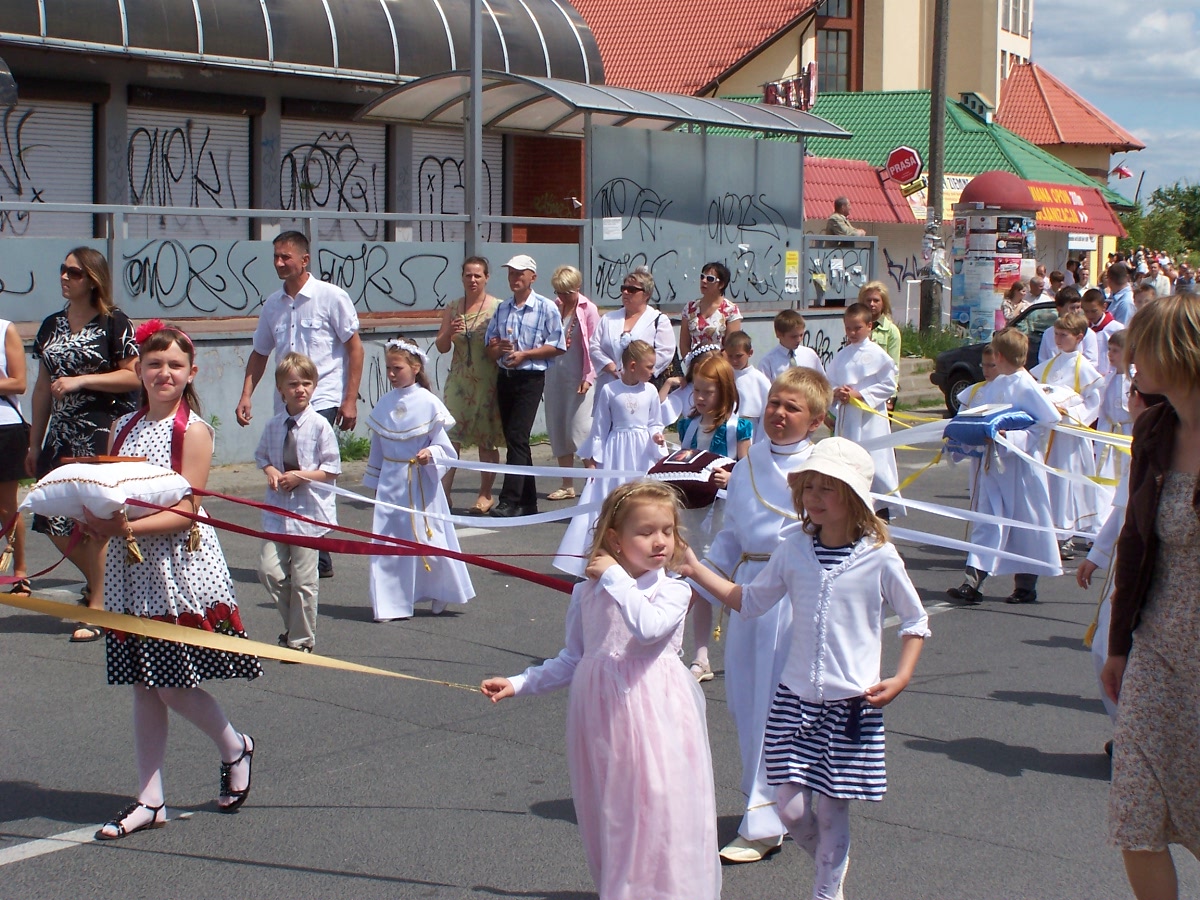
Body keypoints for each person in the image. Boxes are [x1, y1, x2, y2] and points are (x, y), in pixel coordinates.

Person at [683, 438, 929, 900]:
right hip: (794, 701)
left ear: (852, 496)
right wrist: (696, 569)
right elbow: (749, 601)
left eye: (826, 488)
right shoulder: (793, 547)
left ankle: (827, 890)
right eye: (808, 487)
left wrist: (900, 677)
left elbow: (915, 621)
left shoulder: (878, 555)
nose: (814, 497)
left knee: (833, 812)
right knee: (791, 809)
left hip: (850, 704)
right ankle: (831, 862)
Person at [482, 481, 722, 900]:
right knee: (615, 814)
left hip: (658, 715)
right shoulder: (587, 592)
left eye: (667, 531)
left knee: (661, 810)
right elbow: (574, 658)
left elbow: (647, 629)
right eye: (645, 532)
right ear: (614, 538)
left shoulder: (674, 589)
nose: (660, 541)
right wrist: (519, 683)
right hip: (603, 720)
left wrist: (613, 575)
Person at [84, 321, 261, 840]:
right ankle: (150, 798)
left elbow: (188, 511)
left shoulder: (194, 431)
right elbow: (111, 491)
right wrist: (90, 514)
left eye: (175, 365)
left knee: (170, 684)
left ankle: (235, 746)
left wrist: (122, 528)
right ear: (139, 369)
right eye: (154, 364)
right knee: (144, 684)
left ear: (191, 373)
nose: (164, 373)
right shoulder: (123, 426)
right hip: (132, 569)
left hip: (176, 569)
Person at [691, 366, 831, 864]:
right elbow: (732, 535)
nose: (779, 413)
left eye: (793, 407)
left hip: (799, 597)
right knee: (747, 705)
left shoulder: (826, 467)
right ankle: (782, 807)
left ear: (815, 420)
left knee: (782, 712)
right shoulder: (746, 464)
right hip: (748, 595)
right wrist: (696, 579)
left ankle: (765, 822)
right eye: (774, 403)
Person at [1101, 293, 1200, 900]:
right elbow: (1136, 543)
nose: (1131, 362)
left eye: (1141, 349)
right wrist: (1118, 647)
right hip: (1160, 645)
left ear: (1176, 350)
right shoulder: (1153, 429)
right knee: (1135, 814)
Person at [27, 247, 140, 641]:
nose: (64, 277)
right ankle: (103, 585)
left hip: (100, 432)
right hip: (61, 433)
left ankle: (99, 606)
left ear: (93, 280)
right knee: (51, 516)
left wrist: (82, 380)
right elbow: (42, 388)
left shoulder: (114, 322)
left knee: (94, 520)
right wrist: (34, 442)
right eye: (63, 270)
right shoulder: (51, 326)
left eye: (73, 272)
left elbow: (133, 376)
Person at [237, 231, 363, 579]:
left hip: (321, 399)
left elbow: (355, 348)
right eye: (276, 257)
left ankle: (315, 552)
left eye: (286, 257)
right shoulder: (273, 305)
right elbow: (260, 352)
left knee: (309, 468)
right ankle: (300, 545)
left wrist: (349, 399)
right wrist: (246, 394)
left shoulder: (331, 297)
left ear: (304, 260)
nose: (279, 263)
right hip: (285, 405)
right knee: (288, 470)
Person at [946, 329, 1063, 606]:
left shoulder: (1026, 385)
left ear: (998, 356)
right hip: (994, 467)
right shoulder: (995, 385)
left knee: (1025, 525)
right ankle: (972, 582)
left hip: (1021, 469)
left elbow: (1047, 422)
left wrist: (1009, 437)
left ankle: (1025, 586)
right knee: (987, 522)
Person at [364, 339, 474, 621]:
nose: (391, 374)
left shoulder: (428, 402)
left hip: (420, 485)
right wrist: (374, 484)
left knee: (428, 537)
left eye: (397, 368)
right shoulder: (385, 404)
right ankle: (389, 603)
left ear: (415, 368)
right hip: (390, 484)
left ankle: (441, 589)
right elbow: (377, 449)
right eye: (389, 368)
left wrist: (431, 454)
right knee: (389, 542)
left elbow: (445, 449)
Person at [553, 341, 666, 577]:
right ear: (633, 366)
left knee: (643, 500)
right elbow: (600, 428)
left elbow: (655, 421)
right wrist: (594, 458)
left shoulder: (650, 391)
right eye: (649, 366)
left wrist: (656, 435)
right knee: (612, 499)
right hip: (617, 451)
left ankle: (643, 558)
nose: (653, 371)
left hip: (642, 452)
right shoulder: (610, 390)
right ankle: (607, 556)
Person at [673, 354, 753, 683]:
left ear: (725, 391)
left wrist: (732, 478)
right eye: (697, 390)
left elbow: (748, 469)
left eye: (709, 391)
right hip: (692, 513)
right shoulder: (688, 424)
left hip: (724, 518)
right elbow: (685, 461)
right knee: (694, 581)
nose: (701, 398)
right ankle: (700, 656)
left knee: (718, 582)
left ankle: (746, 650)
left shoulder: (737, 427)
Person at [255, 353, 340, 655]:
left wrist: (301, 477)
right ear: (281, 389)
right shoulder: (274, 425)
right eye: (293, 384)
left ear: (314, 386)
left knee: (304, 580)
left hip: (308, 513)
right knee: (269, 571)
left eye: (306, 383)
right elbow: (262, 456)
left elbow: (331, 469)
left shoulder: (319, 425)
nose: (300, 389)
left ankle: (301, 640)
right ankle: (294, 625)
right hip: (278, 512)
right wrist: (271, 471)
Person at [485, 254, 566, 518]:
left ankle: (509, 499)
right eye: (511, 273)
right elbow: (489, 347)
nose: (514, 278)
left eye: (520, 273)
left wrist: (526, 355)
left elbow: (557, 346)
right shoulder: (503, 308)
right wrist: (498, 348)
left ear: (533, 277)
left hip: (530, 378)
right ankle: (528, 500)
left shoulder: (545, 307)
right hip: (505, 376)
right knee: (514, 439)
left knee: (518, 437)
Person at [434, 256, 505, 515]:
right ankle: (444, 493)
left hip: (488, 381)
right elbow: (441, 347)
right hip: (459, 381)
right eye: (468, 275)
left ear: (486, 278)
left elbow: (503, 343)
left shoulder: (498, 307)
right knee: (450, 437)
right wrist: (449, 333)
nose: (472, 280)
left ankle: (485, 494)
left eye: (477, 275)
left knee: (487, 440)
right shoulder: (454, 307)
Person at [1031, 311, 1104, 558]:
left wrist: (1071, 413)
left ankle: (1065, 535)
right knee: (1048, 480)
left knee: (1066, 483)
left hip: (1069, 436)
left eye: (1064, 335)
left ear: (1079, 337)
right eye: (1056, 334)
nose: (1058, 339)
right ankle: (1049, 531)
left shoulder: (1083, 367)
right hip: (1049, 433)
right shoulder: (1051, 364)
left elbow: (1093, 402)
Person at [826, 303, 900, 517]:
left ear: (869, 326)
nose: (852, 333)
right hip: (847, 418)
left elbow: (888, 385)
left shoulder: (877, 354)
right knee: (847, 461)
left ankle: (879, 510)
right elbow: (829, 382)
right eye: (848, 328)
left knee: (875, 462)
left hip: (869, 419)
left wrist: (859, 394)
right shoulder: (842, 355)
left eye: (857, 328)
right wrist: (837, 392)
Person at [543, 265, 600, 503]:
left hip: (579, 376)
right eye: (559, 291)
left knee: (580, 430)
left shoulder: (588, 309)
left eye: (567, 292)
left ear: (577, 287)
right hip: (555, 375)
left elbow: (595, 346)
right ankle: (567, 484)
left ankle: (594, 480)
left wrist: (589, 377)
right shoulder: (553, 307)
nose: (563, 296)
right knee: (558, 429)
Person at [590, 265, 676, 393]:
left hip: (641, 387)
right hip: (609, 385)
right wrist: (611, 367)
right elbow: (594, 346)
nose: (625, 292)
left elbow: (665, 352)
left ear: (646, 294)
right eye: (623, 288)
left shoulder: (658, 320)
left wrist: (637, 371)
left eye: (631, 290)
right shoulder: (608, 318)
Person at [0, 316, 29, 598]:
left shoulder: (4, 329)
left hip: (4, 427)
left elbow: (19, 383)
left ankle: (19, 571)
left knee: (6, 506)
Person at [679, 261, 742, 358]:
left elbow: (731, 346)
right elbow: (684, 344)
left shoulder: (730, 310)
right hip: (695, 364)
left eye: (710, 279)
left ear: (721, 284)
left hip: (719, 364)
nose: (704, 281)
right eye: (702, 277)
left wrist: (716, 365)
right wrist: (690, 362)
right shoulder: (690, 308)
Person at [861, 281, 902, 410]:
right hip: (861, 389)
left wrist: (891, 396)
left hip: (881, 390)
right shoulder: (857, 328)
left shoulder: (891, 330)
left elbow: (894, 365)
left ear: (883, 303)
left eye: (876, 300)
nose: (872, 304)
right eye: (868, 300)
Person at [1037, 287, 1100, 368]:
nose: (1076, 311)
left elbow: (1091, 363)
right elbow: (1043, 361)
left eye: (1078, 307)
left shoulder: (1088, 333)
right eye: (1072, 308)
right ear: (1059, 309)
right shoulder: (1048, 333)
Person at [757, 309, 826, 381]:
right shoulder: (768, 362)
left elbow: (823, 381)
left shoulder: (810, 355)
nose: (799, 340)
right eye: (793, 336)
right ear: (779, 334)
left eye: (801, 335)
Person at [723, 331, 772, 429]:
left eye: (738, 356)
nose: (734, 361)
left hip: (751, 428)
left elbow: (767, 412)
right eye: (730, 356)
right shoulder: (725, 376)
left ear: (750, 353)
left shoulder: (760, 379)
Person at [1081, 288, 1125, 377]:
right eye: (1086, 311)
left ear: (1104, 307)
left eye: (1094, 311)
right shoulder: (1084, 329)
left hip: (1111, 376)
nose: (1090, 315)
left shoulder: (1116, 328)